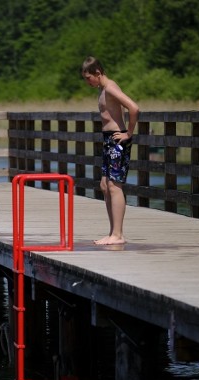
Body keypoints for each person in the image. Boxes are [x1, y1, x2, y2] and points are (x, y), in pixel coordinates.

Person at [81, 56, 139, 245]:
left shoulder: (111, 87)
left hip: (117, 139)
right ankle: (112, 232)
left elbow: (133, 107)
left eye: (89, 78)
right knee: (105, 186)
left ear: (98, 73)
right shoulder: (102, 89)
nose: (87, 82)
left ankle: (118, 234)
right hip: (108, 140)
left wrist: (128, 133)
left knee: (114, 185)